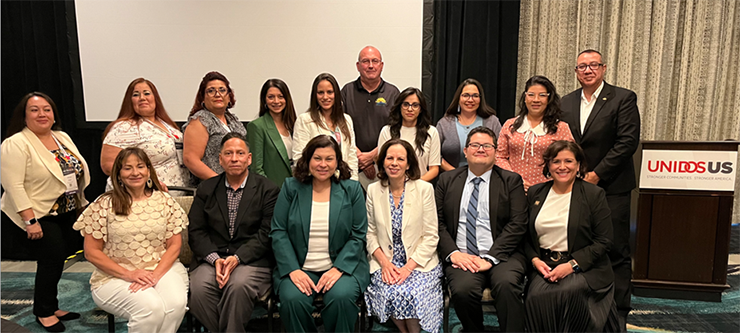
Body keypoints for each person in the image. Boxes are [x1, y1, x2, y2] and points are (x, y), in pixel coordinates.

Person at [560, 49, 641, 330]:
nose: (588, 70)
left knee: (616, 248)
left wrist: (597, 174)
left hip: (611, 187)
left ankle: (619, 310)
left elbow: (627, 142)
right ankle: (584, 302)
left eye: (593, 65)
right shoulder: (565, 102)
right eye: (582, 66)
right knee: (580, 245)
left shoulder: (623, 98)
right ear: (576, 71)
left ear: (604, 68)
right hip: (574, 187)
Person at [1, 92, 90, 332]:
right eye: (34, 110)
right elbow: (13, 186)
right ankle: (43, 311)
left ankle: (51, 305)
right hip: (36, 213)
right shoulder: (16, 143)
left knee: (59, 258)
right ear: (24, 115)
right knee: (51, 258)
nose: (42, 114)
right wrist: (29, 220)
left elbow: (73, 174)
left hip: (65, 211)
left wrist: (81, 203)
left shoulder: (61, 137)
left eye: (47, 109)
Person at [74, 148, 189, 333]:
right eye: (127, 168)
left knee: (175, 305)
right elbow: (91, 252)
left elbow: (174, 245)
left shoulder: (165, 201)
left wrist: (155, 275)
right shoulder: (104, 204)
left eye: (140, 166)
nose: (135, 173)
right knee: (151, 308)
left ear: (149, 170)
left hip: (163, 268)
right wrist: (129, 275)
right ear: (118, 174)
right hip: (114, 276)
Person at [271, 135, 369, 333]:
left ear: (338, 162)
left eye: (329, 159)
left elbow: (358, 234)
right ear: (308, 160)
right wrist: (293, 270)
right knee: (292, 299)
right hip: (299, 266)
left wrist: (338, 268)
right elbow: (278, 231)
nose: (323, 164)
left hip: (342, 267)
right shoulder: (291, 187)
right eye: (317, 158)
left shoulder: (352, 189)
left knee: (341, 297)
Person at [436, 126, 527, 333]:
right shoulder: (447, 180)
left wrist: (490, 258)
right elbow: (437, 223)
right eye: (475, 145)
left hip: (503, 255)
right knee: (462, 290)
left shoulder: (511, 181)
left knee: (507, 285)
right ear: (465, 151)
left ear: (495, 152)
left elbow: (518, 223)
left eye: (487, 146)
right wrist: (453, 254)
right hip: (462, 254)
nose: (481, 149)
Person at [187, 132, 279, 333]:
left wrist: (237, 258)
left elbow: (267, 232)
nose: (234, 158)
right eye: (228, 154)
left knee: (238, 286)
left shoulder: (268, 189)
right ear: (220, 159)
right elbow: (196, 230)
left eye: (240, 153)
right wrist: (215, 259)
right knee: (199, 290)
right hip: (212, 260)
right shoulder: (206, 189)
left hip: (252, 261)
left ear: (249, 158)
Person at [524, 140, 619, 332]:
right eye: (556, 161)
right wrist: (534, 260)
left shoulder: (593, 194)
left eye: (568, 161)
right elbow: (524, 236)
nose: (562, 167)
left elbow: (604, 241)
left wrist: (571, 265)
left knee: (568, 292)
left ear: (578, 165)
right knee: (535, 297)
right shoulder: (536, 193)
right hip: (544, 265)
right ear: (548, 166)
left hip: (583, 267)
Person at [365, 139, 443, 333]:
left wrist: (408, 268)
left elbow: (431, 235)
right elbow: (370, 232)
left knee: (412, 292)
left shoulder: (424, 189)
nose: (394, 163)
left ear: (408, 164)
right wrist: (384, 263)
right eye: (389, 158)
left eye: (400, 159)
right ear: (382, 162)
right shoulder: (373, 190)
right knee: (389, 290)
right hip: (386, 261)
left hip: (418, 262)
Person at [101, 78, 190, 191]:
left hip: (176, 195)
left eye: (147, 93)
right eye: (136, 95)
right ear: (130, 100)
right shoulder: (125, 127)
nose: (142, 98)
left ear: (155, 98)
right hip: (145, 195)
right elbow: (109, 165)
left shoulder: (166, 124)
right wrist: (147, 181)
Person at [496, 75, 574, 191]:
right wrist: (515, 179)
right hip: (512, 188)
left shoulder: (561, 128)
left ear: (549, 99)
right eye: (531, 95)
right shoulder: (510, 124)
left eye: (542, 95)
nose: (536, 100)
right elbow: (499, 156)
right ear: (525, 97)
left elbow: (569, 160)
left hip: (549, 189)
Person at [341, 46, 400, 189]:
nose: (371, 66)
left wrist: (372, 157)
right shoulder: (346, 91)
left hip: (385, 166)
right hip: (352, 165)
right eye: (366, 61)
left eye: (375, 61)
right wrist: (360, 157)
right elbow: (339, 126)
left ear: (381, 65)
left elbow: (397, 130)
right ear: (358, 66)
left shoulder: (393, 93)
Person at [182, 71, 247, 182]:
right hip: (213, 188)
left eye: (222, 90)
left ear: (229, 96)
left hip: (237, 185)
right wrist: (219, 182)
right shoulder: (200, 120)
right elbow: (190, 159)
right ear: (203, 97)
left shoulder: (233, 120)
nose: (217, 94)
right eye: (211, 91)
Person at [293, 73, 359, 181]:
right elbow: (299, 158)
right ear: (315, 95)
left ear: (336, 94)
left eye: (329, 92)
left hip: (343, 183)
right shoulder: (305, 120)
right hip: (315, 183)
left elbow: (352, 157)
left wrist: (353, 184)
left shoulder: (346, 120)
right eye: (320, 93)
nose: (325, 97)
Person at [437, 78, 502, 172]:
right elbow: (435, 156)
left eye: (475, 96)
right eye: (466, 95)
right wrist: (456, 174)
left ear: (480, 99)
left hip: (487, 178)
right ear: (459, 98)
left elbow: (500, 153)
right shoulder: (444, 124)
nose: (470, 100)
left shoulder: (492, 122)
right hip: (451, 179)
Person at [377, 88, 441, 182]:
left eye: (415, 105)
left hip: (420, 187)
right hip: (392, 186)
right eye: (406, 104)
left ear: (421, 109)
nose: (410, 109)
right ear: (399, 107)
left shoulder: (431, 132)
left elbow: (434, 169)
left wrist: (415, 185)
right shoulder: (387, 131)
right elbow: (382, 164)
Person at [247, 78, 298, 188]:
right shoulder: (257, 126)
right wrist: (270, 191)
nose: (276, 101)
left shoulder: (295, 124)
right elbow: (256, 169)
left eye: (280, 96)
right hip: (273, 192)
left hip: (297, 188)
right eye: (271, 97)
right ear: (264, 100)